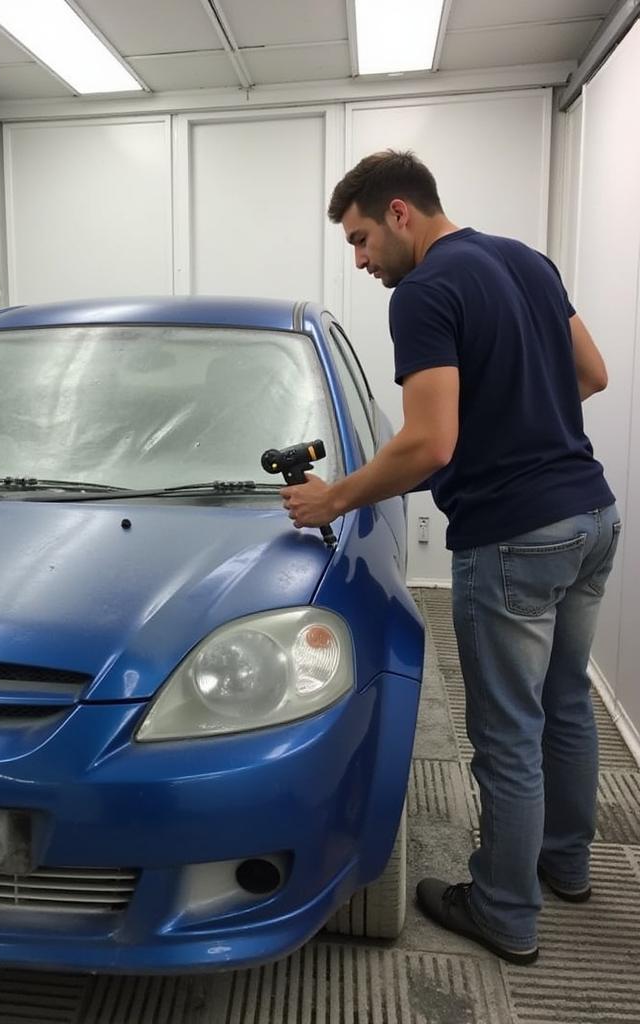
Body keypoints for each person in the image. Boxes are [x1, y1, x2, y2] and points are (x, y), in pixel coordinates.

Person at [282, 149, 620, 966]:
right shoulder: (526, 262)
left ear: (401, 213)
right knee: (567, 703)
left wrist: (332, 499)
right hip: (592, 514)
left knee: (507, 733)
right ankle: (566, 867)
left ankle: (505, 909)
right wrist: (516, 416)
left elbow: (429, 444)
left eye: (361, 239)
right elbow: (593, 374)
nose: (360, 261)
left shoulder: (428, 289)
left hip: (513, 539)